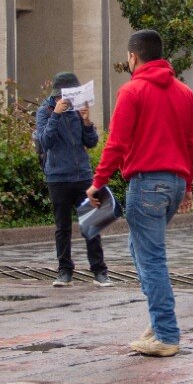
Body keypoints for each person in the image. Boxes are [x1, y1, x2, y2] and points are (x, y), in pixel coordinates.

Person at [88, 30, 193, 358]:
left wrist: (98, 181)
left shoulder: (132, 90)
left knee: (151, 258)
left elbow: (117, 142)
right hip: (174, 182)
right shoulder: (183, 92)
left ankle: (166, 333)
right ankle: (158, 321)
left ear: (133, 57)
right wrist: (188, 186)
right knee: (140, 250)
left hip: (146, 183)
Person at [36, 72, 110, 288]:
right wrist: (56, 116)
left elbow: (92, 142)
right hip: (57, 177)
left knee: (91, 223)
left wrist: (87, 121)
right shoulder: (45, 111)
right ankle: (64, 271)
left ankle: (99, 271)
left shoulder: (79, 110)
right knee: (63, 226)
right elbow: (45, 142)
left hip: (83, 175)